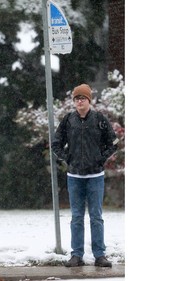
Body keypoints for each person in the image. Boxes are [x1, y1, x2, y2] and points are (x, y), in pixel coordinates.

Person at [51, 84, 118, 268]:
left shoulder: (99, 119)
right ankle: (76, 255)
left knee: (96, 216)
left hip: (95, 176)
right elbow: (55, 144)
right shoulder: (68, 120)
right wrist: (68, 159)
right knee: (77, 217)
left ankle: (99, 255)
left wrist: (100, 159)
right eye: (76, 98)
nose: (79, 101)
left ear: (89, 100)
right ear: (74, 101)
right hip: (75, 177)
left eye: (83, 98)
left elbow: (113, 143)